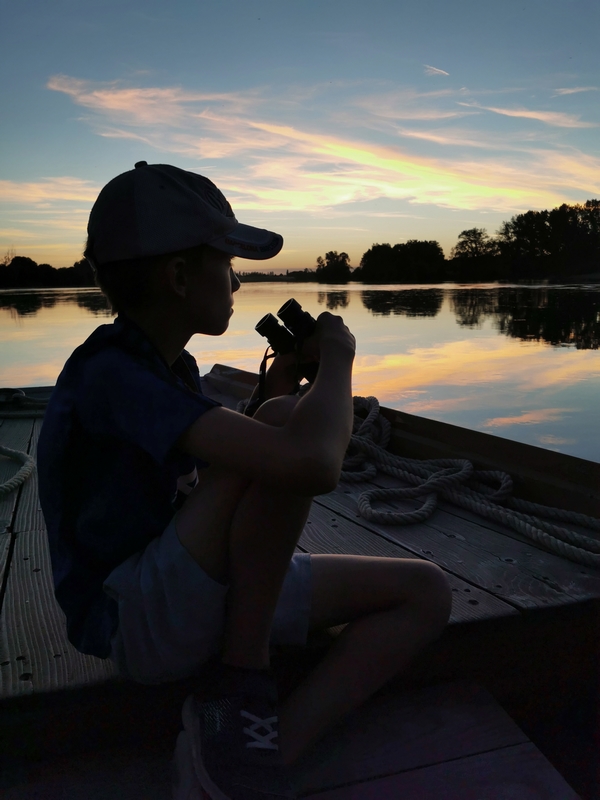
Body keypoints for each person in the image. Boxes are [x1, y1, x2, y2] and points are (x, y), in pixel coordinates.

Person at [37, 162, 452, 800]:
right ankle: (242, 674)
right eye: (228, 262)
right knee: (286, 428)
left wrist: (272, 392)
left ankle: (258, 751)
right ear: (179, 276)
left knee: (424, 592)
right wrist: (338, 358)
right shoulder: (109, 376)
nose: (238, 277)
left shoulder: (167, 368)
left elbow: (203, 486)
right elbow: (312, 464)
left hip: (187, 591)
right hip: (135, 619)